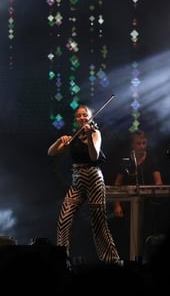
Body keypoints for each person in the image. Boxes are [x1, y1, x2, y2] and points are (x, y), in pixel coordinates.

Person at [47, 104, 121, 265]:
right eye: (79, 115)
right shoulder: (73, 137)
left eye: (85, 115)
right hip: (77, 181)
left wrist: (89, 136)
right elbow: (51, 152)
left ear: (90, 116)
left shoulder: (95, 133)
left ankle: (112, 262)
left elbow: (94, 156)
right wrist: (60, 140)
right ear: (75, 119)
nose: (82, 118)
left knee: (98, 222)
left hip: (93, 178)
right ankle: (61, 259)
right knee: (64, 220)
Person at [110, 129, 165, 262]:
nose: (142, 146)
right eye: (139, 143)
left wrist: (153, 192)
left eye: (144, 143)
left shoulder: (151, 159)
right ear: (132, 145)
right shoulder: (126, 160)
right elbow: (117, 185)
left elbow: (159, 182)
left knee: (147, 235)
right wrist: (117, 205)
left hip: (147, 205)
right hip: (128, 206)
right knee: (128, 236)